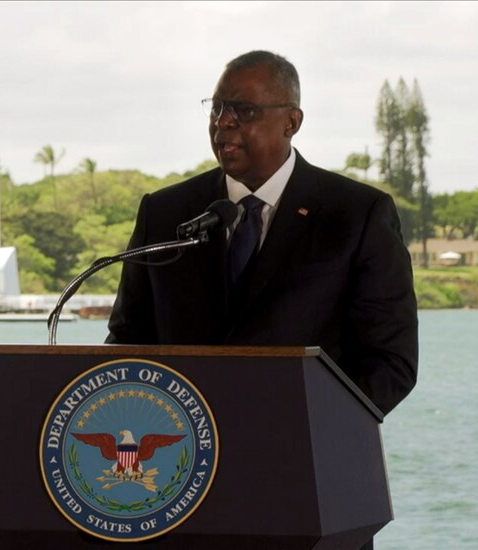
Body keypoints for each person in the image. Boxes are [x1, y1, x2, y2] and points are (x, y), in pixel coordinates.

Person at [106, 51, 417, 548]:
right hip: (176, 486)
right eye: (217, 108)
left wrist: (311, 435)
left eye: (244, 111)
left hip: (310, 486)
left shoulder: (357, 214)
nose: (224, 123)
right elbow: (127, 338)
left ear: (292, 121)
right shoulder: (166, 212)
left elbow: (389, 361)